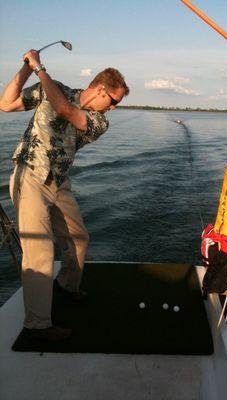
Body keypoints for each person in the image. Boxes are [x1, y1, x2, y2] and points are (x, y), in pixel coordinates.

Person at [0, 50, 129, 341]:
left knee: (78, 237)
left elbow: (65, 111)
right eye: (114, 101)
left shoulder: (99, 121)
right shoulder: (53, 89)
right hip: (31, 176)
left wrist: (39, 69)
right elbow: (6, 104)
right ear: (99, 89)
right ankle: (37, 325)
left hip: (58, 181)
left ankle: (67, 286)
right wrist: (25, 67)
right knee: (40, 251)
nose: (114, 108)